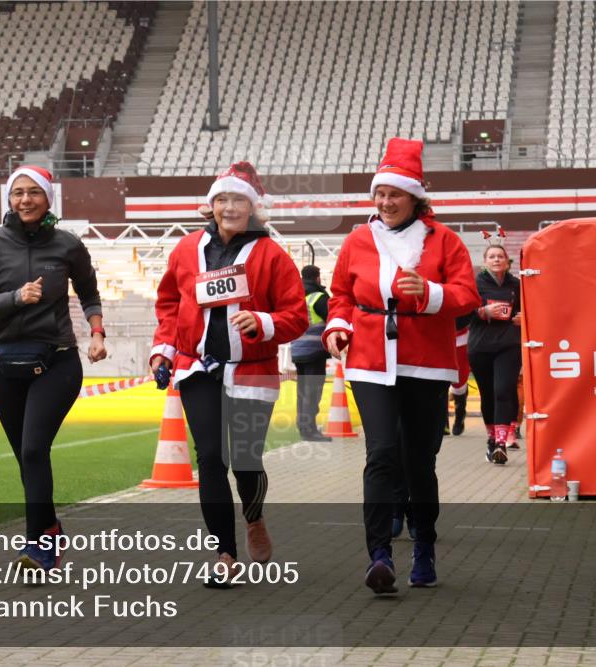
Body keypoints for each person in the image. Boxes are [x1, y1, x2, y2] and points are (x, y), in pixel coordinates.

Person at [323, 138, 479, 593]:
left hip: (425, 363)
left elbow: (467, 296)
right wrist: (338, 327)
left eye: (395, 194)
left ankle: (425, 545)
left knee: (419, 460)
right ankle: (379, 556)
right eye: (380, 194)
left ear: (415, 197)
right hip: (370, 361)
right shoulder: (357, 239)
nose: (386, 202)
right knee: (381, 454)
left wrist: (429, 293)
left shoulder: (444, 240)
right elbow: (342, 296)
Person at [150, 162, 308, 587]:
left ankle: (253, 517)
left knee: (245, 460)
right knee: (211, 459)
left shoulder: (273, 254)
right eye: (222, 199)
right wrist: (163, 350)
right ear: (211, 205)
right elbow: (168, 303)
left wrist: (263, 322)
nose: (229, 207)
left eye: (238, 199)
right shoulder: (186, 249)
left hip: (252, 370)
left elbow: (296, 314)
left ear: (253, 207)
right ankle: (224, 553)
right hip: (198, 369)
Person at [0, 165, 106, 571]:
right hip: (5, 366)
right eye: (17, 193)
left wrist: (97, 333)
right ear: (9, 199)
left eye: (33, 193)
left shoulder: (67, 244)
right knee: (27, 460)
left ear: (48, 199)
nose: (25, 200)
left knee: (33, 449)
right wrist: (14, 298)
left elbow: (90, 291)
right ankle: (51, 529)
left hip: (57, 360)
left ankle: (38, 545)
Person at [468, 230, 522, 465]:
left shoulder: (517, 285)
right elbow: (462, 312)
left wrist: (524, 318)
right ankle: (491, 439)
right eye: (492, 257)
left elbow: (531, 308)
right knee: (488, 394)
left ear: (507, 261)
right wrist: (482, 312)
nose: (497, 260)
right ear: (485, 261)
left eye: (500, 256)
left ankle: (501, 443)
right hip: (480, 346)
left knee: (503, 390)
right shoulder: (474, 283)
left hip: (509, 345)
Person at [290, 265, 332, 442]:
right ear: (318, 277)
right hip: (314, 351)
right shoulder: (319, 297)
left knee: (303, 391)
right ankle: (310, 430)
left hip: (298, 349)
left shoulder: (295, 296)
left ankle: (304, 427)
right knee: (313, 391)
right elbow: (332, 319)